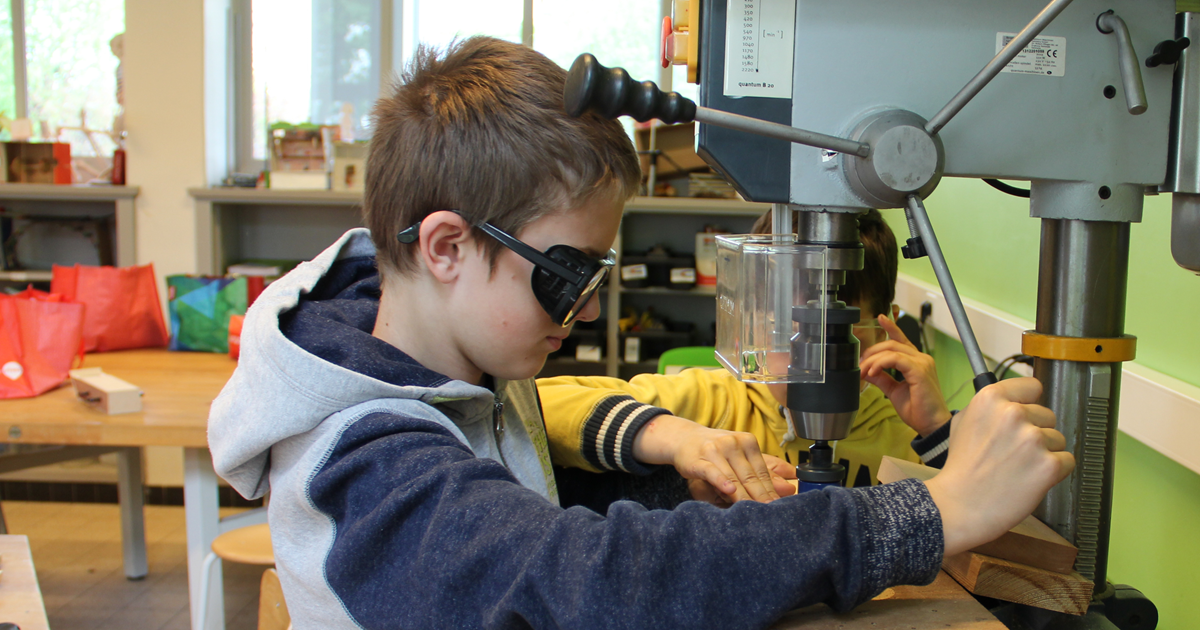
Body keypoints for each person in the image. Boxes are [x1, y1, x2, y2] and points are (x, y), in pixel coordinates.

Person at [207, 37, 1074, 629]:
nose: (583, 307)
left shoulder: (447, 379)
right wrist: (933, 510)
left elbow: (504, 530)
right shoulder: (363, 459)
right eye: (566, 272)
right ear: (445, 247)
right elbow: (574, 582)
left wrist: (666, 490)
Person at [539, 208, 956, 501]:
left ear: (888, 327)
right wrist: (678, 437)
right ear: (753, 322)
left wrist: (940, 432)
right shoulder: (713, 403)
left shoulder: (905, 433)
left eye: (840, 334)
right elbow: (536, 404)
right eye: (786, 334)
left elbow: (989, 522)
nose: (810, 363)